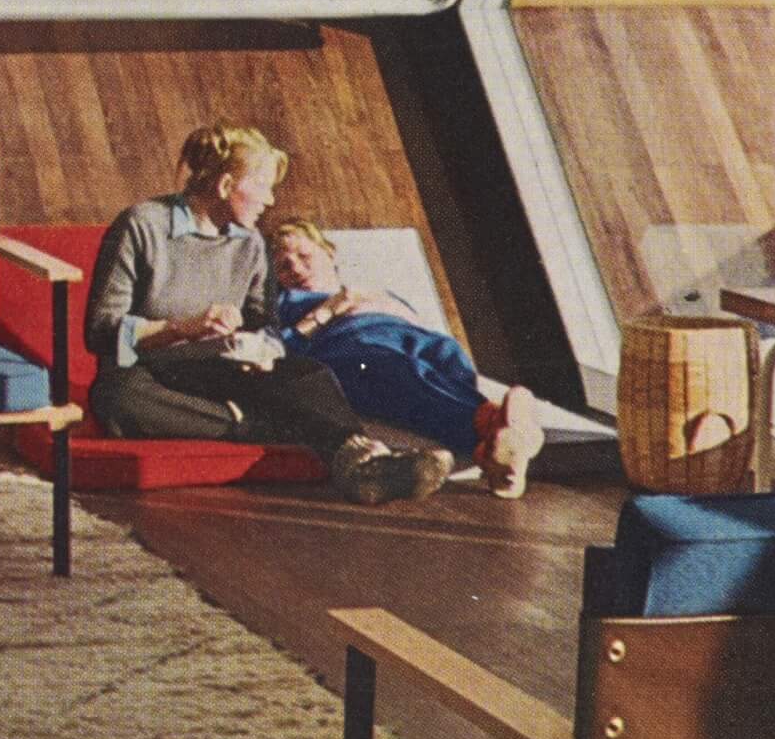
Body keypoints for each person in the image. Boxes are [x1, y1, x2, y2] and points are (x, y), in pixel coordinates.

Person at [85, 126, 451, 506]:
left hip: (215, 369)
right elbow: (100, 333)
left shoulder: (252, 243)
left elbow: (265, 325)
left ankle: (364, 462)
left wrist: (262, 347)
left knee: (308, 373)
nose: (270, 200)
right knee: (119, 397)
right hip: (150, 370)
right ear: (226, 185)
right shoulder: (141, 225)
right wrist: (180, 328)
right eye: (262, 186)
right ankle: (264, 427)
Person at [269, 217, 544, 498]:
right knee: (399, 370)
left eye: (304, 256)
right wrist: (326, 311)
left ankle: (493, 450)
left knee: (447, 353)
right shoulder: (286, 302)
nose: (296, 268)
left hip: (410, 335)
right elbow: (278, 349)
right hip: (353, 344)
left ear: (329, 253)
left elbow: (415, 320)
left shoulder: (373, 290)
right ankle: (491, 422)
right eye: (283, 266)